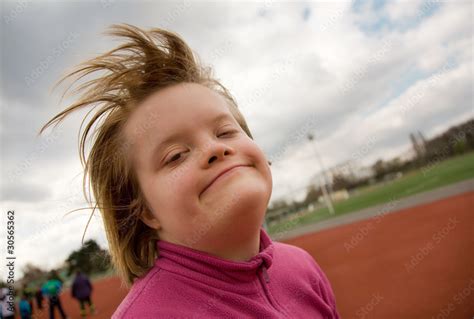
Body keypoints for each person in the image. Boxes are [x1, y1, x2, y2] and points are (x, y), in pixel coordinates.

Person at [40, 23, 340, 318]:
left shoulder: (303, 266)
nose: (215, 149)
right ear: (145, 211)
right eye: (176, 156)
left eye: (224, 132)